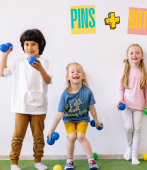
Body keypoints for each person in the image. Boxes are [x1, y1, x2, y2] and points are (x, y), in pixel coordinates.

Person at [0, 29, 52, 170]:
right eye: (26, 44)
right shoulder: (18, 63)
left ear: (39, 46)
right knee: (17, 136)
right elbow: (2, 72)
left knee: (38, 137)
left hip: (39, 106)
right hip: (21, 106)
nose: (29, 47)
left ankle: (37, 161)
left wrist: (40, 68)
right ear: (23, 46)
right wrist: (5, 55)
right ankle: (14, 163)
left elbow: (47, 81)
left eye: (33, 44)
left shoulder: (44, 62)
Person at [48, 62, 102, 170]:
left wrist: (96, 120)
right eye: (72, 72)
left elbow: (92, 108)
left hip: (82, 119)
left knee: (80, 136)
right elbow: (59, 113)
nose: (75, 73)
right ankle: (69, 162)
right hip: (69, 119)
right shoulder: (65, 94)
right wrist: (51, 130)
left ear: (83, 76)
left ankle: (91, 161)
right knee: (72, 136)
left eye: (78, 71)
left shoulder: (87, 92)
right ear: (68, 77)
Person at [117, 44, 147, 165]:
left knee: (137, 130)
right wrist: (120, 100)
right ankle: (129, 148)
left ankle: (135, 155)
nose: (134, 55)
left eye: (137, 53)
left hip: (139, 106)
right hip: (126, 105)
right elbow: (121, 89)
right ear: (127, 56)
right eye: (131, 53)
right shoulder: (125, 70)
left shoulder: (145, 72)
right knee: (128, 127)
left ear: (142, 56)